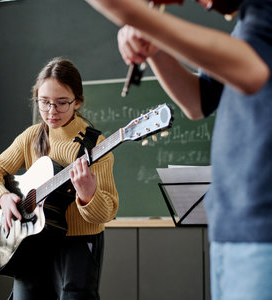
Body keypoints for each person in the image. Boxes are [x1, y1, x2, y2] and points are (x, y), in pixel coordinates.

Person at [85, 0, 272, 299]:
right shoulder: (243, 30)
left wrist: (139, 17)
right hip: (234, 224)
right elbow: (198, 102)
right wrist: (156, 50)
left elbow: (252, 71)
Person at [0, 57, 119, 299]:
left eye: (61, 103)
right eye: (44, 103)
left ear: (78, 102)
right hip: (32, 244)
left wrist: (88, 196)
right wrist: (2, 198)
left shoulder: (96, 145)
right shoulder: (32, 136)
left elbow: (107, 212)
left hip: (78, 244)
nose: (51, 112)